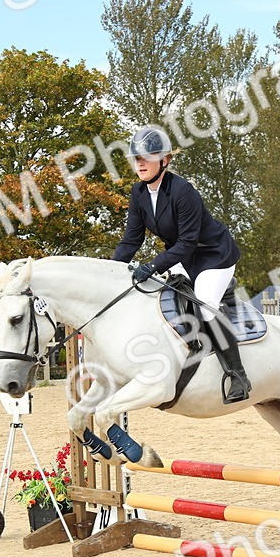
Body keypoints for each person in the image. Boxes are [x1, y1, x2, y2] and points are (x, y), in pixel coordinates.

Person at [112, 126, 250, 403]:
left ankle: (237, 375)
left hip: (213, 256)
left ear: (165, 160)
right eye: (136, 158)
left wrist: (152, 265)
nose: (140, 162)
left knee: (205, 304)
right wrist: (110, 272)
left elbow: (187, 242)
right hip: (182, 258)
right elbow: (131, 240)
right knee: (156, 295)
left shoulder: (183, 191)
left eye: (147, 157)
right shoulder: (138, 193)